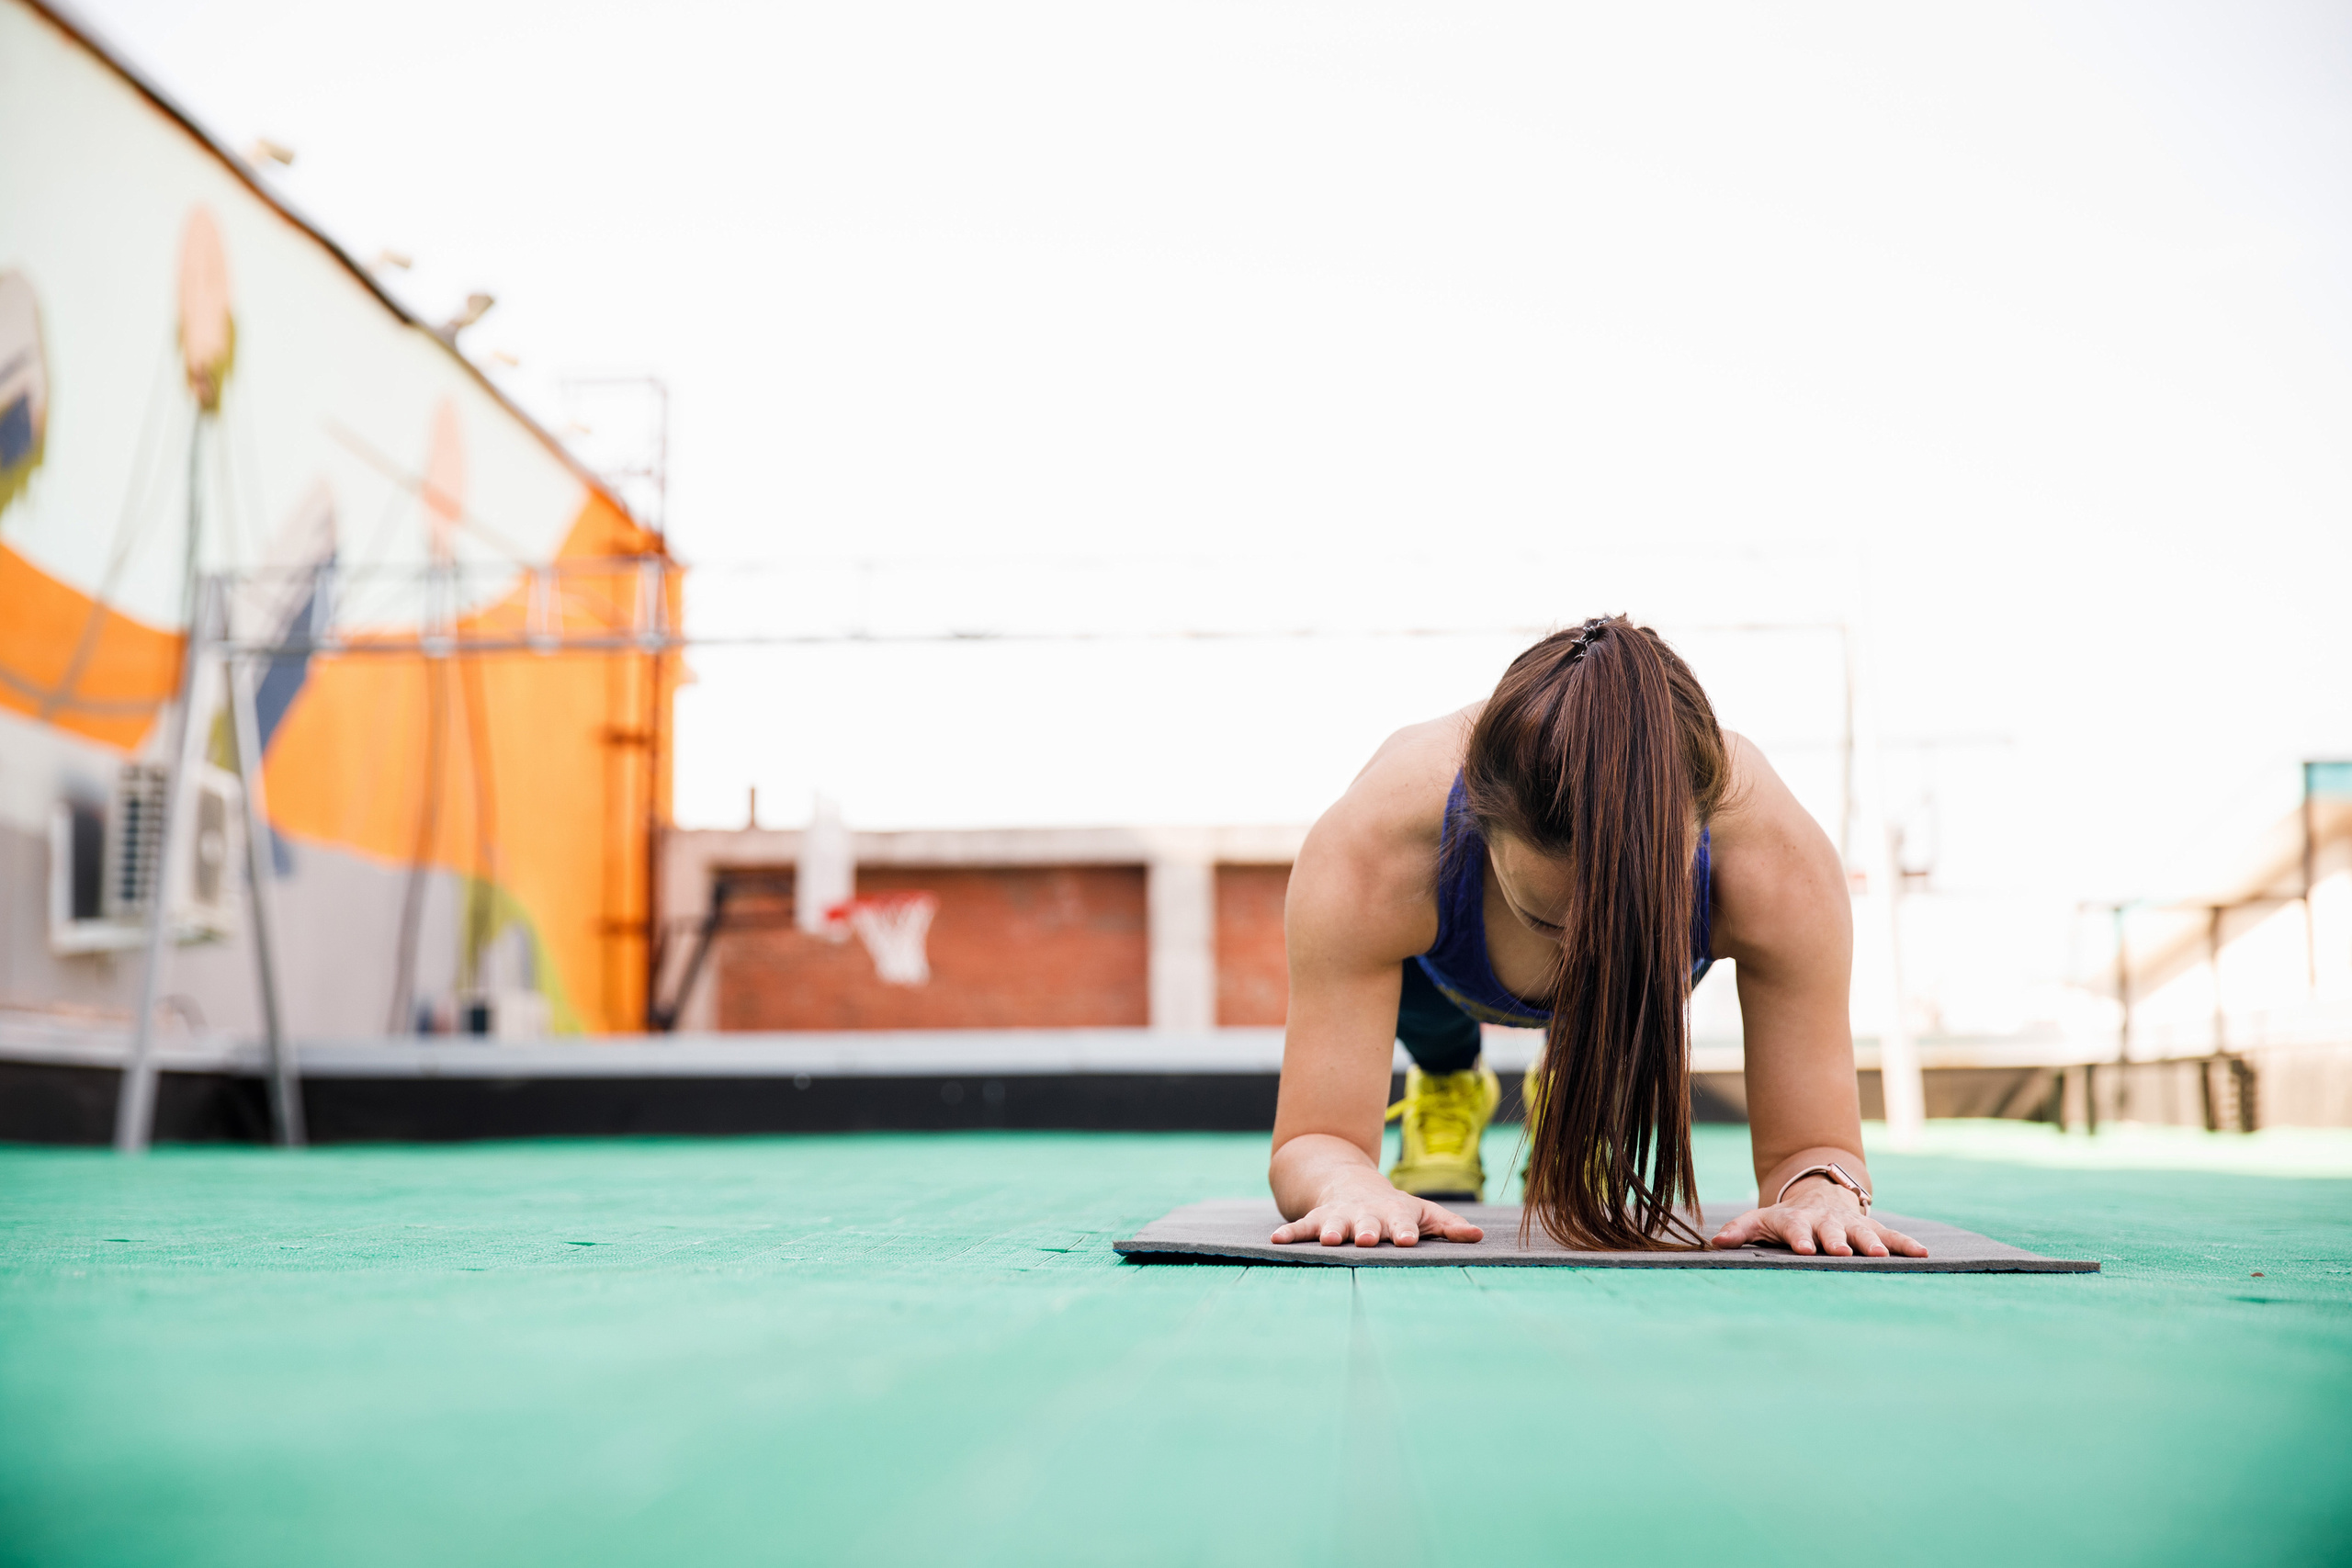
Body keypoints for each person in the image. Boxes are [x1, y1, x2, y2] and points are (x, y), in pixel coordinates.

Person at [1269, 615, 1928, 1257]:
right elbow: (1317, 1138)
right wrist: (1348, 1182)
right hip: (1440, 979)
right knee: (1433, 1026)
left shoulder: (1776, 865)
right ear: (1481, 824)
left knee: (1600, 1042)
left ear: (1702, 829)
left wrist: (1820, 1192)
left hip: (1633, 996)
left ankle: (1575, 1085)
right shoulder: (1374, 851)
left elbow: (1811, 1150)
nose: (1575, 959)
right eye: (1549, 920)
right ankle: (1446, 1081)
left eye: (1620, 921)